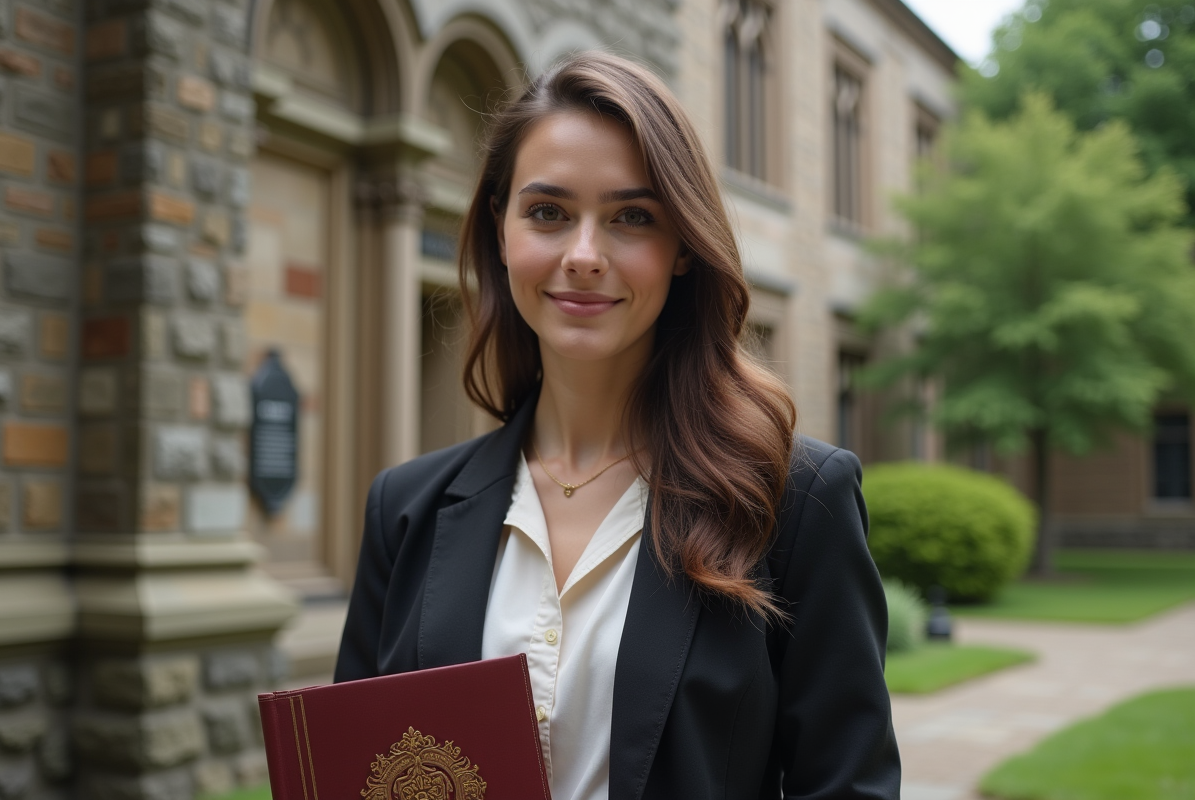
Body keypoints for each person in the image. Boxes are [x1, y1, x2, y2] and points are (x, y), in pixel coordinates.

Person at [335, 51, 899, 800]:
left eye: (632, 217)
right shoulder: (404, 510)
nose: (584, 255)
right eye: (548, 213)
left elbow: (848, 787)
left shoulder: (795, 501)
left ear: (684, 253)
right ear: (500, 232)